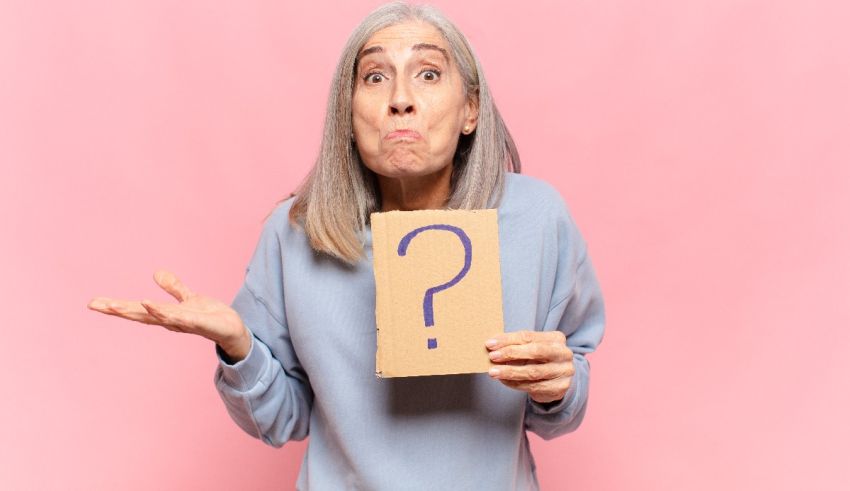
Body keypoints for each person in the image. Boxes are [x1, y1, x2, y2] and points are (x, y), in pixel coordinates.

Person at [88, 2, 606, 489]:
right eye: (375, 77)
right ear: (349, 112)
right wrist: (239, 346)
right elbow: (281, 420)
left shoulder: (537, 219)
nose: (400, 98)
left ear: (470, 109)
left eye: (428, 74)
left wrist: (559, 381)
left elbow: (564, 394)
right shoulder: (295, 233)